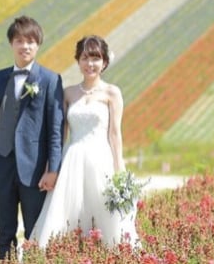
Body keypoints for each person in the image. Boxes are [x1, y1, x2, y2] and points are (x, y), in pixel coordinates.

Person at [31, 35, 139, 248]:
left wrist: (120, 171)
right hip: (73, 159)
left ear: (105, 62)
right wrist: (51, 168)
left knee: (108, 220)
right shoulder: (68, 93)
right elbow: (59, 135)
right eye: (85, 58)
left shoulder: (112, 93)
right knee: (65, 217)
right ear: (78, 61)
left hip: (101, 159)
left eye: (96, 58)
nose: (90, 64)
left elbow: (115, 134)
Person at [0, 16, 65, 261]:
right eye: (19, 41)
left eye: (30, 41)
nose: (24, 46)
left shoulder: (50, 80)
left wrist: (53, 169)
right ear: (11, 44)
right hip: (2, 168)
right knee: (4, 232)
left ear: (38, 45)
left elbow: (55, 131)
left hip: (36, 171)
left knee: (35, 234)